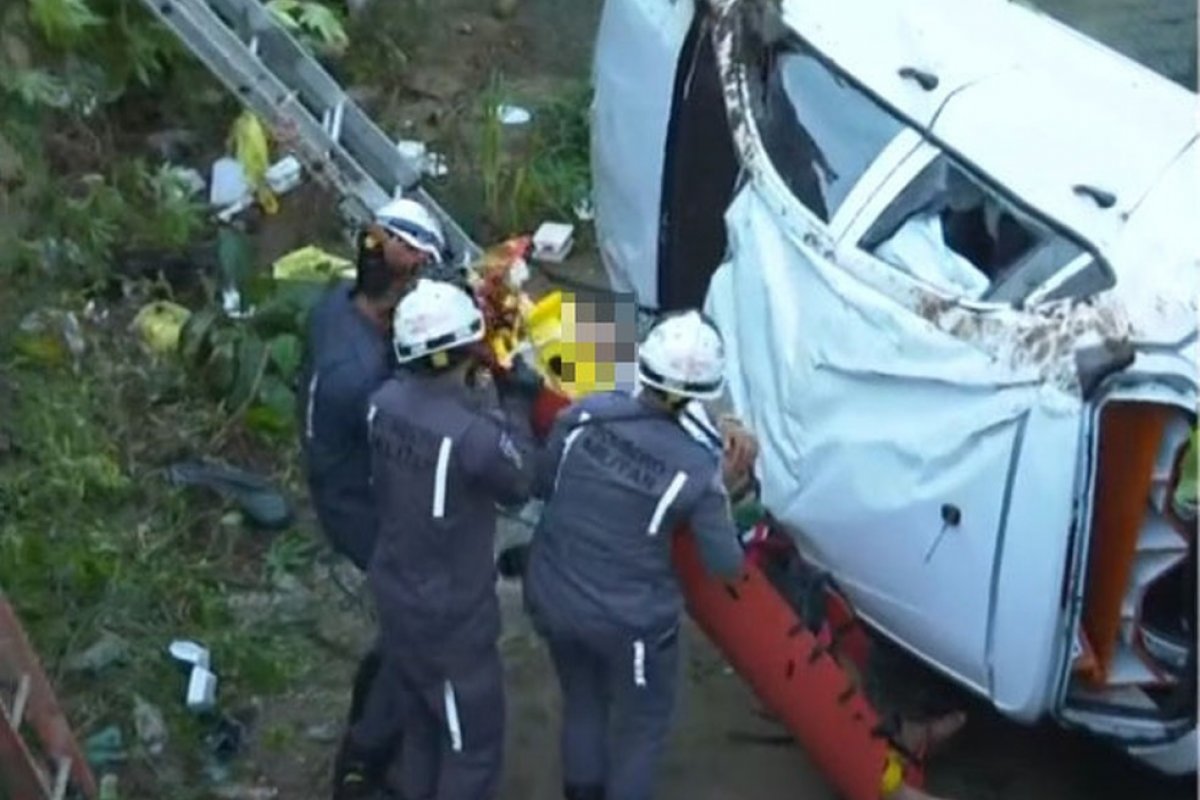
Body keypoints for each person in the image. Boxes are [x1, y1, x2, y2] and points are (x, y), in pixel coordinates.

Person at [522, 309, 748, 800]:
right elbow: (727, 564)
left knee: (583, 700)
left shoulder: (583, 415)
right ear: (699, 395)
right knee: (641, 728)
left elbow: (543, 483)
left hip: (553, 595)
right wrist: (725, 489)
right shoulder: (696, 470)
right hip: (630, 623)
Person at [337, 278, 544, 800]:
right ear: (463, 348)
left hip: (399, 595)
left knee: (425, 729)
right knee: (472, 749)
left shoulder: (382, 403)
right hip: (450, 620)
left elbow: (431, 417)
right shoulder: (472, 438)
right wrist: (514, 402)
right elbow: (519, 480)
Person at [295, 196, 448, 797]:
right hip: (361, 509)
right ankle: (363, 764)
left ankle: (376, 703)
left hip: (341, 478)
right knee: (421, 625)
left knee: (404, 624)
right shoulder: (365, 380)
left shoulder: (338, 306)